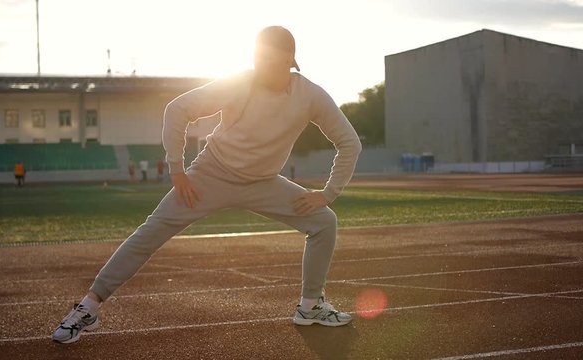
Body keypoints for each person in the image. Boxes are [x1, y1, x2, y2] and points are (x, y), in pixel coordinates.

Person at [52, 25, 362, 344]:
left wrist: (328, 193)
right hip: (211, 175)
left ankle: (310, 306)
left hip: (263, 182)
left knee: (324, 222)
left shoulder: (310, 95)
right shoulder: (240, 82)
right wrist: (177, 170)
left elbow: (349, 143)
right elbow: (178, 109)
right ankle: (88, 306)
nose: (260, 66)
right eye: (258, 58)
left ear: (289, 61)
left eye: (269, 60)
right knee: (150, 232)